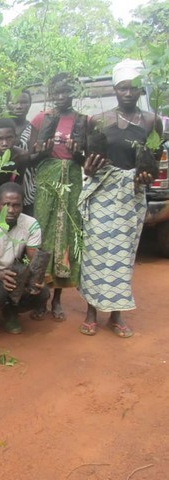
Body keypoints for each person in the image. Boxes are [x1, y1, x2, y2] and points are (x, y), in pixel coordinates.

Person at [78, 59, 163, 338]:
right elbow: (89, 160)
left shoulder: (152, 121)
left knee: (123, 254)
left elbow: (154, 158)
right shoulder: (99, 120)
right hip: (102, 191)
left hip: (132, 194)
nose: (128, 93)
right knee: (95, 251)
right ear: (115, 90)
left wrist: (146, 177)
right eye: (122, 88)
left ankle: (116, 315)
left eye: (133, 89)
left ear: (140, 91)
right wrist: (88, 169)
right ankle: (91, 312)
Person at [31, 72, 87, 321]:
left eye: (67, 91)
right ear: (51, 94)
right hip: (47, 180)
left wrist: (77, 152)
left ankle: (57, 300)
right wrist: (42, 149)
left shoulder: (83, 120)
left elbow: (85, 159)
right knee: (42, 234)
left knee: (65, 233)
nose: (62, 96)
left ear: (74, 93)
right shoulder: (42, 118)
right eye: (58, 92)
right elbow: (33, 155)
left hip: (72, 179)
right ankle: (39, 297)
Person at [0, 182, 50, 335]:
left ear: (22, 205)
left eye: (16, 205)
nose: (11, 210)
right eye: (6, 205)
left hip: (14, 273)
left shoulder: (31, 224)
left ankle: (11, 311)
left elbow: (32, 260)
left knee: (42, 292)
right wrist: (0, 275)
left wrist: (34, 279)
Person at [7, 89, 38, 216]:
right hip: (2, 187)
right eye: (14, 102)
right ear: (7, 103)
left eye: (24, 102)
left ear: (30, 104)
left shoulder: (35, 129)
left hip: (27, 189)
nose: (19, 106)